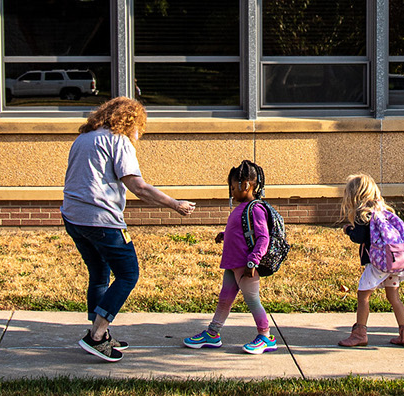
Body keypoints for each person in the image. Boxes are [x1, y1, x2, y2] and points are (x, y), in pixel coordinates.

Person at [62, 97, 195, 362]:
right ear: (131, 121)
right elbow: (138, 187)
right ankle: (97, 336)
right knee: (128, 274)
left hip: (73, 217)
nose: (139, 133)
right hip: (101, 220)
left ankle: (99, 331)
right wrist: (175, 204)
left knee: (99, 273)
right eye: (139, 126)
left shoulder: (83, 139)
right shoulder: (118, 140)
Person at [183, 160, 276, 354]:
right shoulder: (242, 208)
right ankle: (213, 333)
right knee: (225, 298)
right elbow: (242, 232)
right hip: (232, 264)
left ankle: (266, 336)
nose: (231, 192)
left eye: (233, 188)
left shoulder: (256, 208)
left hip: (245, 265)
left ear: (245, 185)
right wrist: (225, 235)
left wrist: (253, 260)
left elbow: (263, 237)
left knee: (252, 300)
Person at [337, 174, 404, 348]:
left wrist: (349, 230)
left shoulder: (364, 214)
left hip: (378, 264)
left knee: (363, 294)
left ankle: (360, 333)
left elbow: (360, 237)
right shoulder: (384, 210)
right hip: (394, 262)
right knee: (394, 297)